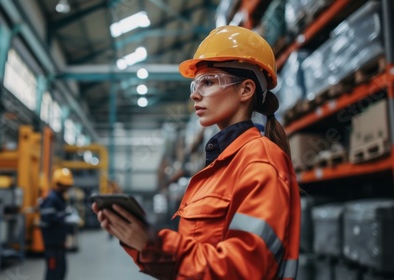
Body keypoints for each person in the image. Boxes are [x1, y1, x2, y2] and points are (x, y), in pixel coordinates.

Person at [92, 25, 301, 280]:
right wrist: (138, 240)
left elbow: (243, 270)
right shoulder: (218, 167)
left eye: (209, 82)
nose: (195, 95)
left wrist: (155, 245)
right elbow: (194, 256)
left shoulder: (260, 161)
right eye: (195, 85)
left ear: (246, 90)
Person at [39, 167, 75, 280]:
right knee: (53, 272)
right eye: (65, 185)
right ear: (58, 184)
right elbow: (48, 217)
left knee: (61, 271)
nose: (66, 187)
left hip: (59, 244)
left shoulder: (60, 198)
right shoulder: (52, 199)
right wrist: (65, 217)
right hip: (52, 245)